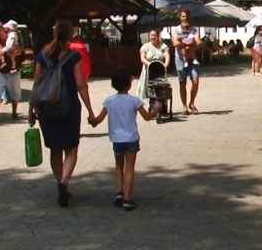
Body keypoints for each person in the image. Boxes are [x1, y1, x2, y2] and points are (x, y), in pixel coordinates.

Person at [29, 19, 95, 208]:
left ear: (55, 32)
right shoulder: (73, 56)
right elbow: (81, 85)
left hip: (46, 108)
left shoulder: (43, 55)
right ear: (71, 34)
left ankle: (59, 181)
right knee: (71, 147)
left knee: (55, 148)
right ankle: (64, 183)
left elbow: (36, 84)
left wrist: (31, 110)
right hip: (68, 107)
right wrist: (90, 111)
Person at [89, 68, 160, 211]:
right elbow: (147, 117)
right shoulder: (134, 101)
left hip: (117, 139)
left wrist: (92, 120)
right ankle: (128, 198)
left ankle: (119, 192)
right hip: (131, 138)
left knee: (119, 166)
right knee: (130, 168)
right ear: (129, 84)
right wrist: (156, 109)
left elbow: (98, 120)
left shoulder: (109, 101)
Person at [0, 20, 21, 122]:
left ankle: (14, 112)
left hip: (13, 72)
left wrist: (16, 53)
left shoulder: (11, 38)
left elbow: (19, 50)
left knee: (15, 93)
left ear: (2, 28)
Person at [171, 9, 200, 114]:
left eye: (186, 16)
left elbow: (198, 42)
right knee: (182, 83)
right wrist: (189, 43)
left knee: (195, 82)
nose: (185, 18)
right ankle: (184, 106)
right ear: (180, 17)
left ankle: (191, 103)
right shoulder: (175, 30)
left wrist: (188, 43)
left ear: (189, 17)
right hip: (180, 58)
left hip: (192, 58)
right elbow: (175, 43)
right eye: (183, 16)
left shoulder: (194, 30)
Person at [136, 29, 170, 99]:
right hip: (148, 70)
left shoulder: (163, 45)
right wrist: (149, 64)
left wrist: (166, 64)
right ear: (149, 36)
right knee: (148, 90)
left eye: (155, 35)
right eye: (151, 35)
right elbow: (142, 58)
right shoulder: (145, 46)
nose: (153, 37)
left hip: (160, 70)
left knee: (161, 89)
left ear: (158, 36)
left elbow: (167, 55)